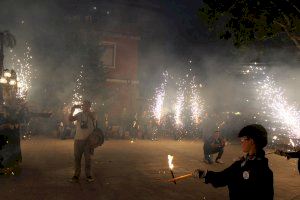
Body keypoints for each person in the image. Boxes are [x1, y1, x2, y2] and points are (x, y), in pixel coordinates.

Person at [194, 124, 274, 200]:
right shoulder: (242, 163)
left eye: (243, 139)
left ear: (252, 141)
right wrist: (206, 174)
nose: (241, 141)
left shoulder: (262, 171)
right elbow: (223, 177)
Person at [69, 100, 95, 182]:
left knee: (88, 159)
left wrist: (88, 112)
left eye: (87, 106)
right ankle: (76, 175)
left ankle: (88, 175)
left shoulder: (93, 114)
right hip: (78, 140)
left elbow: (93, 118)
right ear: (82, 106)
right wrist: (72, 110)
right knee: (77, 158)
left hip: (88, 141)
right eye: (84, 106)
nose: (85, 107)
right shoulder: (79, 114)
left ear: (89, 107)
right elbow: (70, 119)